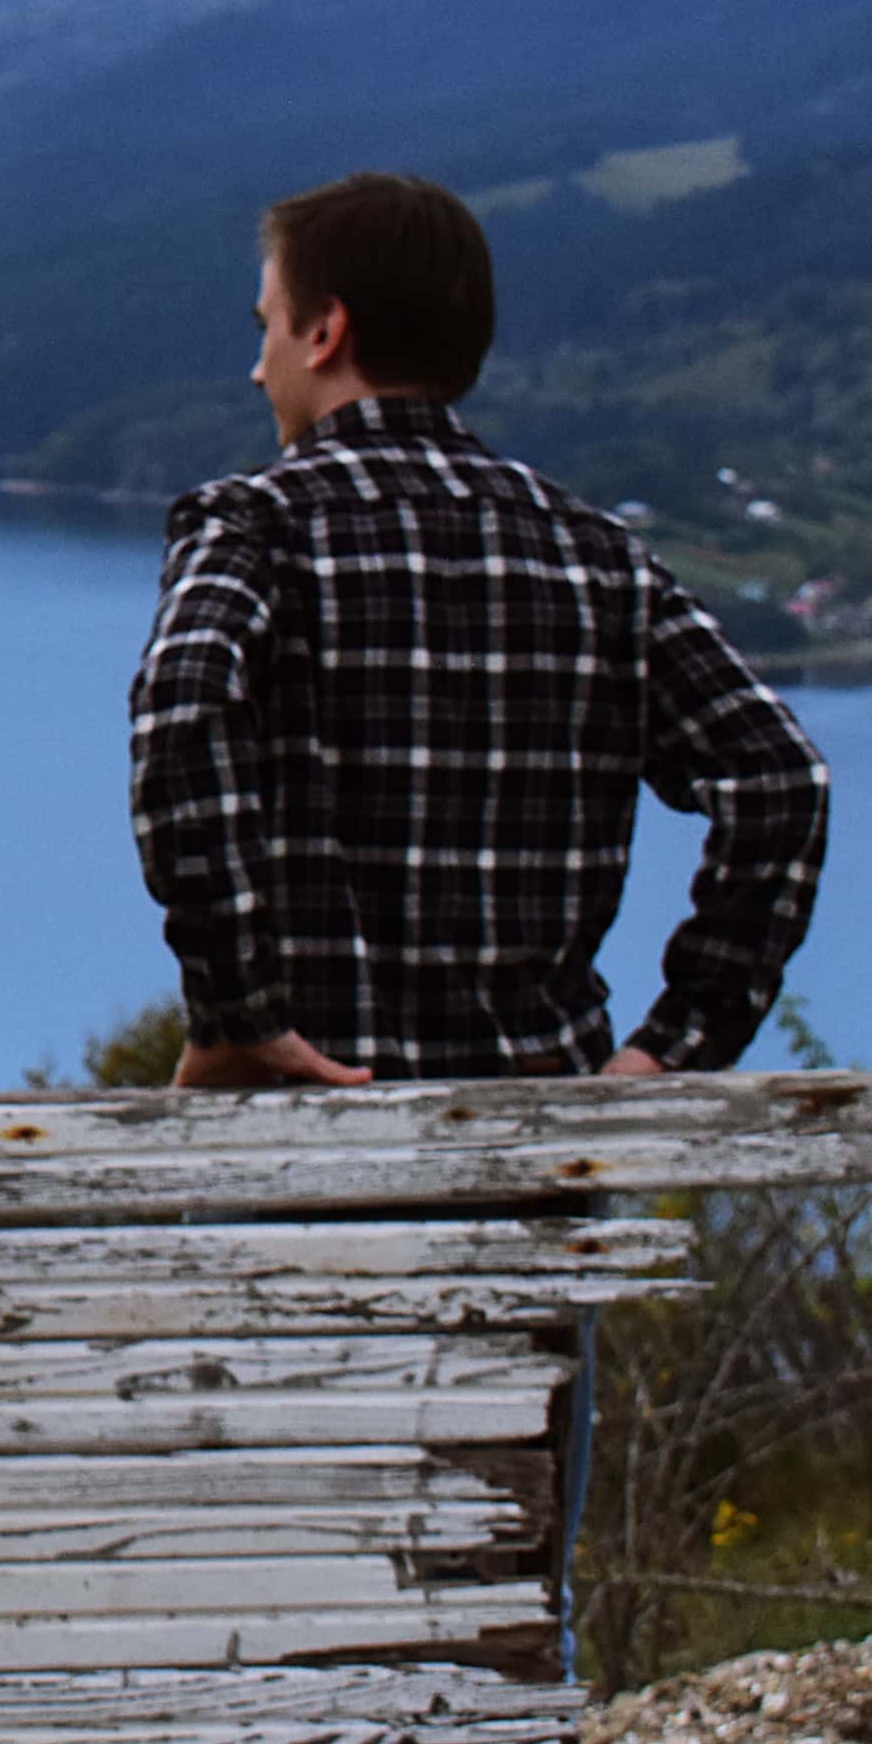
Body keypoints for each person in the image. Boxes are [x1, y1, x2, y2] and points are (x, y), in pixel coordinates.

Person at [130, 171, 829, 1089]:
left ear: (325, 331)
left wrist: (238, 1012)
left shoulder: (256, 530)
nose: (260, 368)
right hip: (543, 1136)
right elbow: (780, 780)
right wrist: (675, 1046)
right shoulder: (600, 557)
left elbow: (183, 711)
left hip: (313, 1122)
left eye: (268, 328)